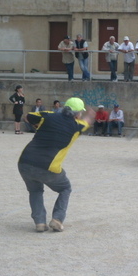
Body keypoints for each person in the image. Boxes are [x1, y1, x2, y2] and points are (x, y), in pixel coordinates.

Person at [18, 97, 95, 232]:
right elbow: (88, 121)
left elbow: (27, 116)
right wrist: (90, 114)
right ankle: (57, 219)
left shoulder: (48, 115)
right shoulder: (77, 126)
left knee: (35, 190)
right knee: (65, 188)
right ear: (77, 114)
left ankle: (40, 222)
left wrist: (38, 125)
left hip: (25, 161)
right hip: (48, 166)